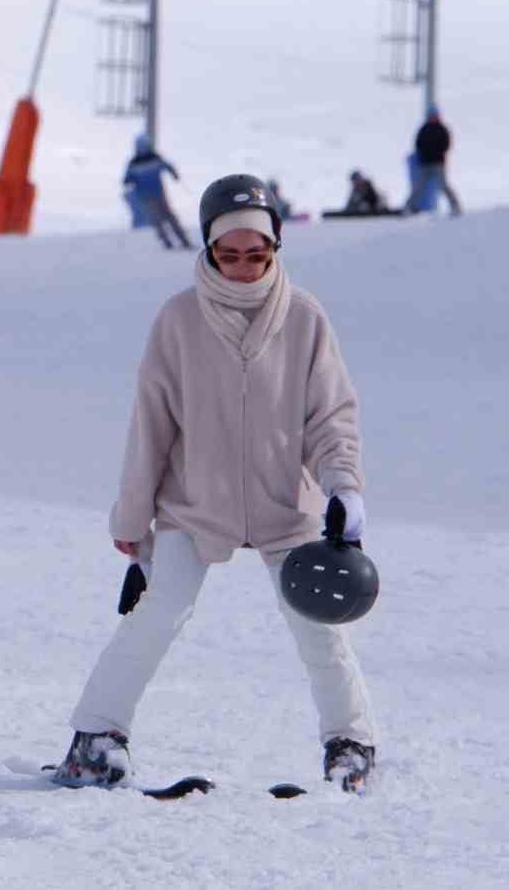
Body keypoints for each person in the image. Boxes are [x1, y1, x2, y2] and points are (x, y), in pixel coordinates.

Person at [52, 174, 377, 793]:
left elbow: (329, 417)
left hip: (287, 507)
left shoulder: (305, 319)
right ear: (207, 248)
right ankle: (94, 741)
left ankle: (351, 747)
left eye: (256, 254)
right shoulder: (178, 319)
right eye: (228, 254)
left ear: (277, 245)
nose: (243, 268)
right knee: (159, 611)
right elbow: (152, 424)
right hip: (193, 505)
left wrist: (344, 488)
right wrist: (132, 519)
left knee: (317, 629)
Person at [122, 133, 193, 250]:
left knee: (169, 216)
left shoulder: (154, 158)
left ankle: (184, 240)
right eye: (140, 146)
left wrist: (174, 174)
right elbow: (128, 178)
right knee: (156, 219)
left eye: (143, 146)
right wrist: (128, 181)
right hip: (146, 196)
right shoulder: (134, 162)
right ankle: (167, 242)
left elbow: (167, 166)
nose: (142, 148)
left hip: (159, 194)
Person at [406, 106, 462, 216]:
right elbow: (418, 144)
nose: (433, 117)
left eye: (434, 115)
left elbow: (446, 145)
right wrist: (424, 154)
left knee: (443, 185)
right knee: (419, 187)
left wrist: (436, 152)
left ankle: (455, 206)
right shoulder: (424, 129)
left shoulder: (442, 129)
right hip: (425, 164)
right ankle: (409, 207)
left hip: (438, 164)